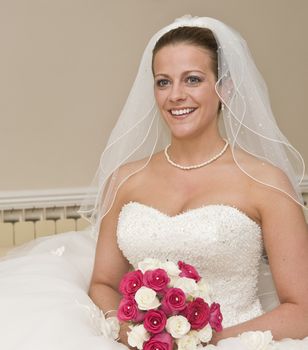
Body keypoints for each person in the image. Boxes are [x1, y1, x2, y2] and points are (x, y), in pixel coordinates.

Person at [0, 15, 307, 350]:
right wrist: (130, 332)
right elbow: (103, 283)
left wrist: (202, 341)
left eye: (192, 79)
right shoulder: (126, 179)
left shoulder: (264, 182)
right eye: (163, 82)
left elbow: (301, 309)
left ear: (225, 88)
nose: (175, 95)